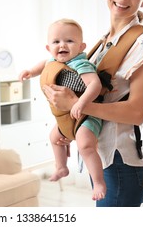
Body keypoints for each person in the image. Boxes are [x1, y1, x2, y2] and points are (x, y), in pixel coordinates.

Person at [42, 0, 143, 207]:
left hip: (122, 164)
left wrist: (77, 105)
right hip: (105, 158)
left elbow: (137, 113)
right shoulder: (102, 43)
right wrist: (71, 125)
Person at [19, 18, 106, 201]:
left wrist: (81, 103)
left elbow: (95, 85)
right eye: (56, 42)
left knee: (85, 144)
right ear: (49, 47)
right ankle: (61, 167)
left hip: (86, 115)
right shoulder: (53, 60)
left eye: (69, 41)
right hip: (66, 116)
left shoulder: (80, 64)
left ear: (81, 46)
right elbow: (44, 64)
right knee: (54, 137)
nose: (62, 45)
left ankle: (98, 182)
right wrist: (30, 72)